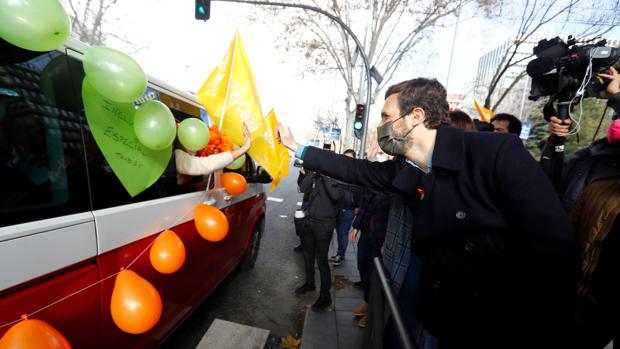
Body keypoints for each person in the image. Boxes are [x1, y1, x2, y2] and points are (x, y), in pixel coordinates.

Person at [278, 77, 577, 348]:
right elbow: (355, 170)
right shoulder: (405, 170)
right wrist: (296, 147)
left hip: (496, 323)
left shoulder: (495, 153)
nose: (380, 125)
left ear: (416, 117)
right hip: (442, 315)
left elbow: (553, 245)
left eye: (385, 116)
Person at [542, 66, 620, 349]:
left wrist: (618, 97)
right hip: (561, 295)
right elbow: (549, 189)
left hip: (596, 311)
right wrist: (556, 141)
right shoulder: (595, 156)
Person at [295, 168, 343, 311]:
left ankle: (325, 297)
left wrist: (326, 175)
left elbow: (335, 196)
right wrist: (311, 174)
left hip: (324, 225)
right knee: (307, 255)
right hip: (310, 222)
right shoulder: (315, 175)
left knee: (321, 260)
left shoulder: (336, 176)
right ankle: (310, 283)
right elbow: (303, 188)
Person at [175, 123, 251, 176]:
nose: (194, 147)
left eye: (198, 141)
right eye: (189, 140)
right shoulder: (177, 155)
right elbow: (207, 165)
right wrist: (244, 148)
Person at [329, 148, 359, 266]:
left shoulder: (357, 174)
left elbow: (361, 191)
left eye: (349, 158)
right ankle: (339, 253)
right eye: (345, 157)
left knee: (343, 233)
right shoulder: (338, 171)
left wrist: (358, 205)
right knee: (339, 231)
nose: (346, 160)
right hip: (337, 207)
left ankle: (340, 256)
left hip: (349, 208)